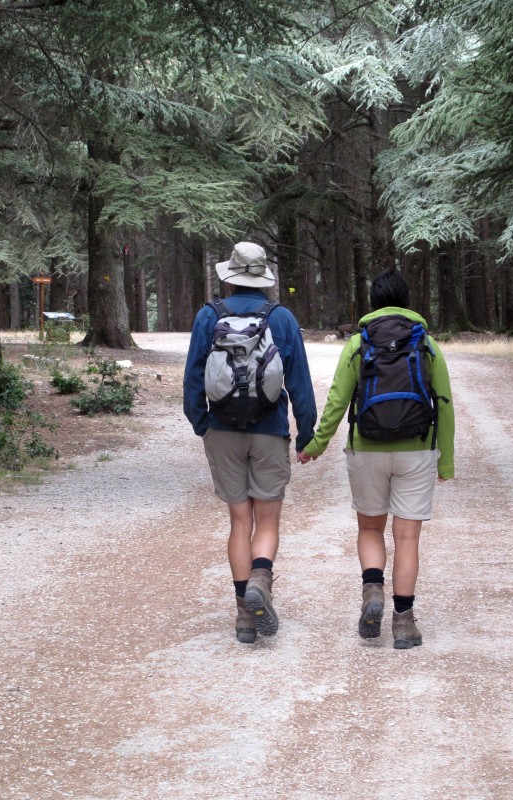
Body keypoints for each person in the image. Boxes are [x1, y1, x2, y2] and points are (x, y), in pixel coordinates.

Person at [298, 269, 454, 649]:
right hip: (417, 449)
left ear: (373, 302)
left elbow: (338, 401)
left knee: (370, 529)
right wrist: (445, 461)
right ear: (407, 301)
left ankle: (372, 592)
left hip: (366, 449)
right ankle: (404, 622)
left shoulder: (357, 343)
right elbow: (445, 405)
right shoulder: (426, 344)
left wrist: (316, 445)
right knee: (407, 536)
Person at [184, 241, 317, 644]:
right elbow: (299, 381)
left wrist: (202, 423)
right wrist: (306, 433)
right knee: (268, 520)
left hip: (222, 430)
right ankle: (262, 579)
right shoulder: (282, 318)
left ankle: (245, 613)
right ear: (264, 279)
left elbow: (193, 377)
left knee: (239, 521)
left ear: (230, 276)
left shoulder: (209, 316)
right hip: (269, 428)